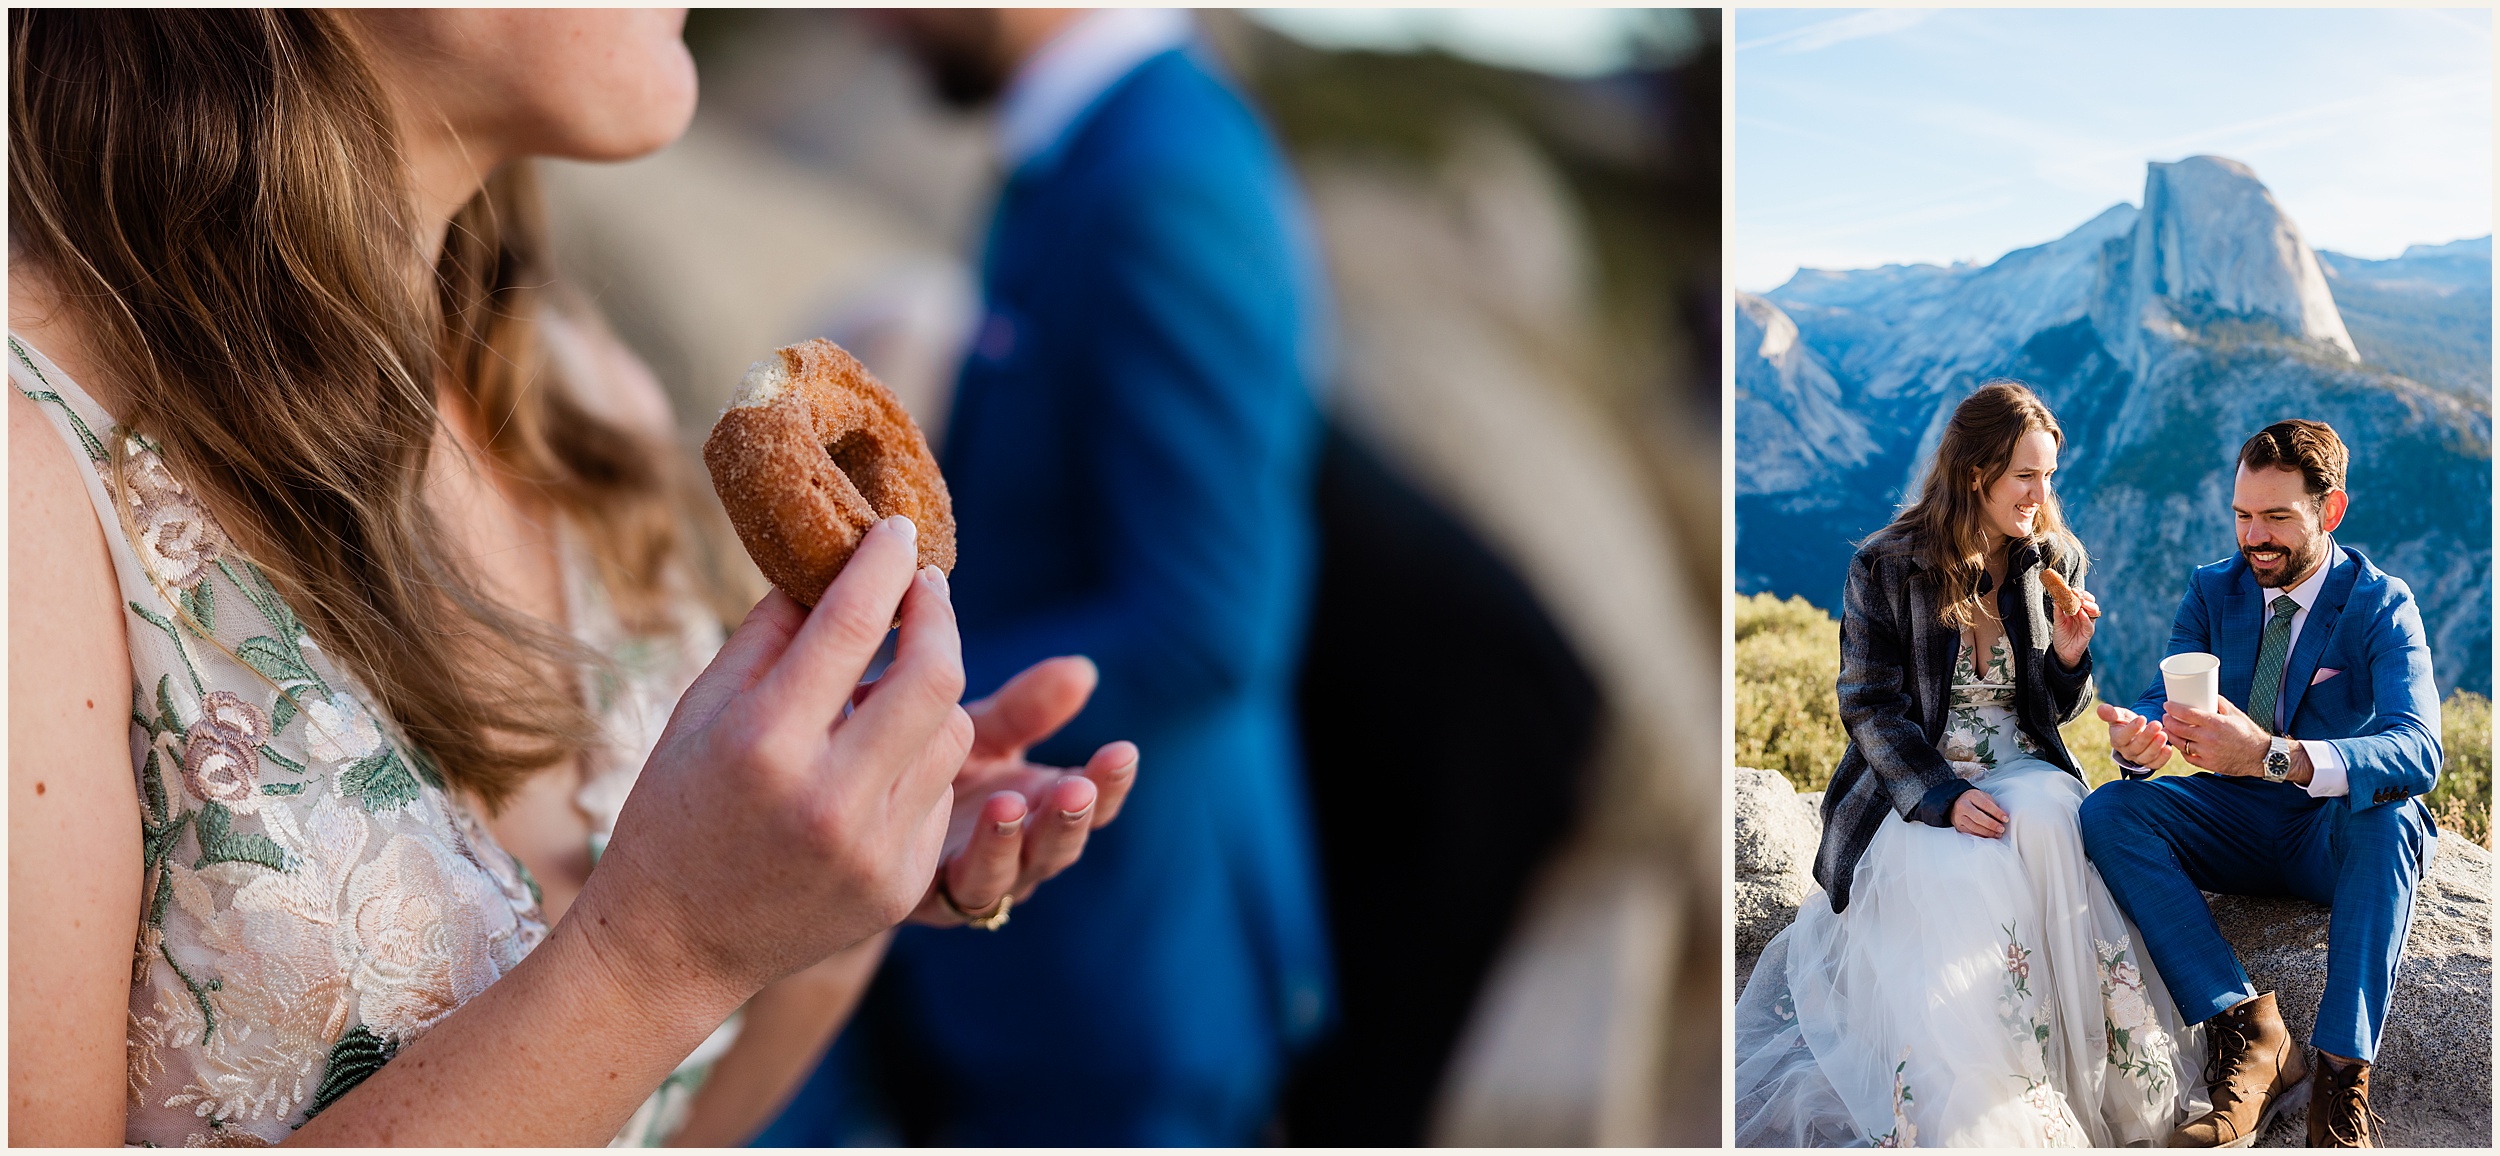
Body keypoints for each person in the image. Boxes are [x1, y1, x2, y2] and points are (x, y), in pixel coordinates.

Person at [7, 10, 1141, 1146]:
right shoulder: (29, 480)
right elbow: (650, 973)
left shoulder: (582, 397)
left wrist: (824, 902)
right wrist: (658, 950)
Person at [764, 9, 1332, 1145]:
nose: (862, 23)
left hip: (1120, 994)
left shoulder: (1164, 184)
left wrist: (865, 700)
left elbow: (1207, 622)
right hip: (1040, 971)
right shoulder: (1093, 152)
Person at [1733, 381, 2203, 1147]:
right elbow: (1868, 708)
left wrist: (2071, 659)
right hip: (1910, 783)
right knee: (1964, 875)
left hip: (2022, 761)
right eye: (2027, 476)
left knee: (2056, 818)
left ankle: (2094, 1080)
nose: (2042, 495)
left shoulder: (2054, 558)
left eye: (2050, 475)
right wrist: (1943, 796)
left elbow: (2054, 710)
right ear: (1975, 472)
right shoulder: (1884, 565)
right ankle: (1988, 1113)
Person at [2082, 419, 2439, 1148]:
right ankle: (2251, 1036)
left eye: (2277, 517)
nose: (2255, 538)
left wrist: (2277, 757)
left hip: (2329, 833)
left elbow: (2418, 749)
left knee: (2395, 815)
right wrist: (2143, 742)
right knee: (2111, 809)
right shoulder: (2216, 589)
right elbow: (2165, 693)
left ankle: (2340, 1084)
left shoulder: (2381, 602)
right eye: (2243, 516)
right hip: (2234, 824)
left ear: (2329, 510)